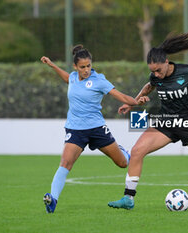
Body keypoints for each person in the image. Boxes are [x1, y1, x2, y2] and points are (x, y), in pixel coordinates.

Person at [107, 32, 188, 211]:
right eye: (152, 71)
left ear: (166, 62)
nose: (155, 74)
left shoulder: (187, 71)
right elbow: (149, 86)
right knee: (137, 150)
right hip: (166, 122)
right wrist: (133, 102)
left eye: (158, 70)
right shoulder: (156, 76)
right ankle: (128, 198)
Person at [40, 44, 138, 213]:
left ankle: (124, 152)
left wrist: (136, 101)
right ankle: (53, 200)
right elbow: (66, 78)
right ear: (75, 67)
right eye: (82, 67)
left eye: (88, 66)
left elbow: (120, 96)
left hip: (97, 129)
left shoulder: (99, 80)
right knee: (65, 163)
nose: (86, 70)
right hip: (75, 130)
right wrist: (52, 65)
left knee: (122, 163)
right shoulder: (72, 77)